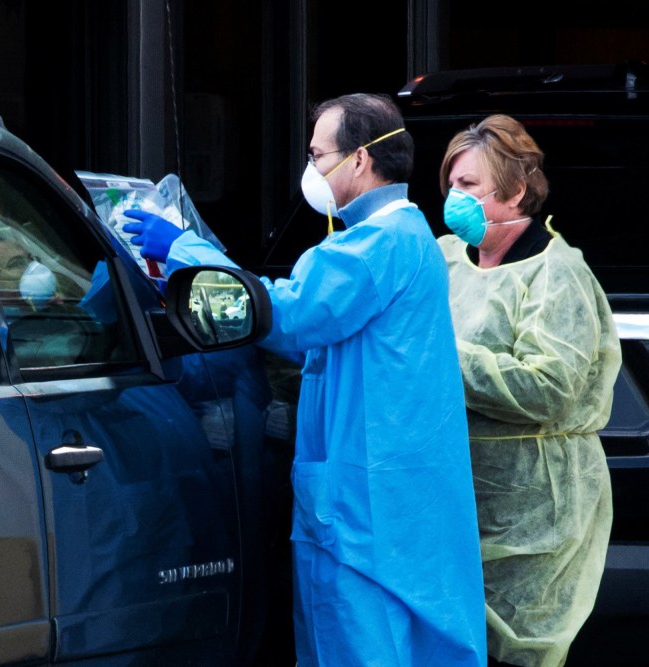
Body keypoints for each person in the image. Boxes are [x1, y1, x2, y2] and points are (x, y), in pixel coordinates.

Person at [123, 93, 486, 666]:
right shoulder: (403, 235)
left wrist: (183, 251)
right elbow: (312, 333)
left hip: (362, 506)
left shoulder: (372, 247)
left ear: (360, 160)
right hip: (388, 494)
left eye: (319, 156)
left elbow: (287, 317)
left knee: (359, 644)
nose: (312, 170)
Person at [437, 114, 622, 667]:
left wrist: (440, 355)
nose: (453, 196)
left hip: (532, 508)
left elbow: (548, 388)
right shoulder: (445, 258)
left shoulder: (555, 273)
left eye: (468, 185)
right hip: (450, 496)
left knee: (518, 651)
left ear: (516, 190)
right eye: (450, 182)